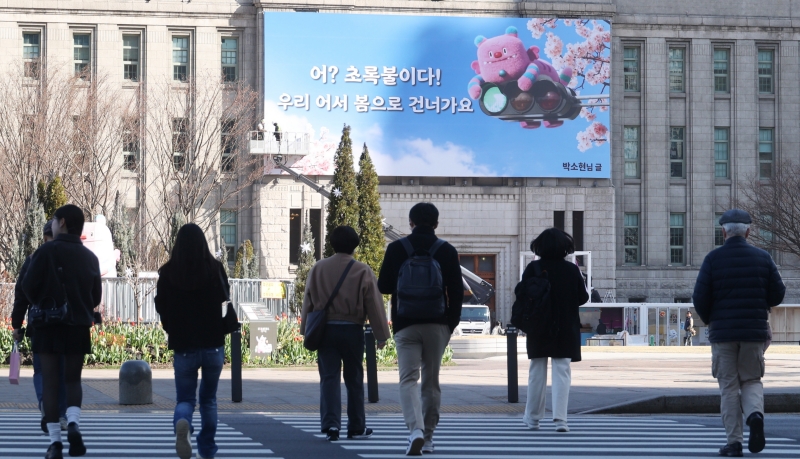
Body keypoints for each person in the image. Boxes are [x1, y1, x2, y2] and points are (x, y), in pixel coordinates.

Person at [693, 209, 785, 457]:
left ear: (723, 232)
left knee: (729, 387)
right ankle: (755, 415)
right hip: (754, 332)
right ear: (748, 232)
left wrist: (712, 320)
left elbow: (699, 298)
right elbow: (778, 294)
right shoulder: (763, 258)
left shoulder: (713, 259)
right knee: (752, 380)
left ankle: (734, 442)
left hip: (723, 334)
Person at [17, 204, 102, 459]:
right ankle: (73, 423)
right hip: (77, 326)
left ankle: (55, 444)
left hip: (47, 326)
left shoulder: (45, 252)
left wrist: (43, 301)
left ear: (62, 222)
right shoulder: (90, 257)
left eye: (54, 220)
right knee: (73, 380)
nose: (52, 225)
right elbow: (95, 297)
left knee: (51, 382)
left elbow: (27, 286)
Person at [378, 203, 463, 456]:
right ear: (436, 224)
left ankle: (414, 430)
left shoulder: (397, 248)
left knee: (408, 379)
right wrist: (450, 323)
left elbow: (384, 286)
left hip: (405, 324)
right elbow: (456, 291)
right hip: (437, 323)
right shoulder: (446, 250)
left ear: (410, 222)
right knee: (431, 381)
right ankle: (427, 438)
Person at [300, 226, 391, 442]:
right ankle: (356, 426)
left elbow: (308, 300)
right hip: (352, 329)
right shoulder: (362, 270)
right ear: (354, 246)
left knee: (329, 378)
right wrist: (381, 334)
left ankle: (331, 425)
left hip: (326, 330)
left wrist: (305, 329)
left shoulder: (318, 268)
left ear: (332, 244)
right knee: (354, 378)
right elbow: (374, 304)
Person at [154, 223, 233, 459]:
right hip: (213, 344)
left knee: (185, 399)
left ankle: (183, 422)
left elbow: (161, 306)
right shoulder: (215, 269)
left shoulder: (168, 272)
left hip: (184, 345)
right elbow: (225, 298)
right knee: (208, 400)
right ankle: (207, 450)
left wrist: (170, 327)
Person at [521, 228, 589, 433]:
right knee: (562, 371)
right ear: (564, 248)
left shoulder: (533, 268)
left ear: (539, 247)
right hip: (565, 326)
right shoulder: (571, 270)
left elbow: (522, 295)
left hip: (538, 325)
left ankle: (533, 418)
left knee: (536, 371)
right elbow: (583, 297)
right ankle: (561, 419)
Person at [10, 221, 68, 434]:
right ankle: (61, 415)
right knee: (61, 371)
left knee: (42, 370)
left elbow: (21, 295)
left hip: (40, 323)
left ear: (43, 237)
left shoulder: (32, 260)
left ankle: (45, 402)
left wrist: (17, 325)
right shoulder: (69, 258)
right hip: (64, 323)